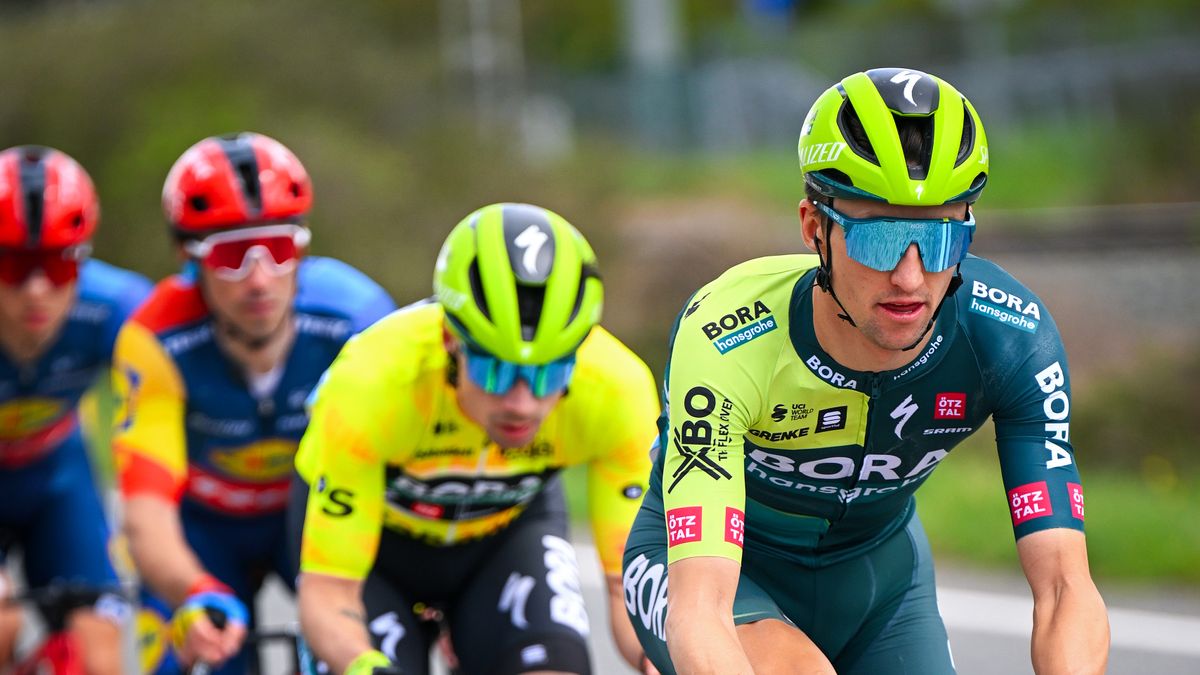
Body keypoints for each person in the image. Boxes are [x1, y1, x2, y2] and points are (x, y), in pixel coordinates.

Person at [622, 67, 1110, 674]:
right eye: (879, 241)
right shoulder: (731, 333)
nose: (910, 278)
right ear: (813, 229)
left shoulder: (1008, 336)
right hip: (714, 572)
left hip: (880, 585)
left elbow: (1065, 587)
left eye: (938, 241)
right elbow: (701, 611)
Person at [292, 202, 660, 675]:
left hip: (504, 538)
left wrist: (661, 660)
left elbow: (623, 587)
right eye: (495, 370)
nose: (522, 403)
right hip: (377, 553)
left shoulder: (617, 391)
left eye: (550, 374)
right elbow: (329, 593)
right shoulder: (373, 382)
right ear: (450, 341)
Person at [112, 132, 396, 674]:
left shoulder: (356, 319)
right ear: (188, 258)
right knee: (198, 654)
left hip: (317, 519)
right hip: (202, 531)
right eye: (231, 256)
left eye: (279, 248)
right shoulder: (155, 339)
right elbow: (145, 512)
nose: (259, 279)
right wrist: (190, 590)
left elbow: (399, 472)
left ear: (303, 249)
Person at [0, 145, 152, 674]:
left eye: (59, 266)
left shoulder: (115, 305)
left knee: (98, 644)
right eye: (15, 267)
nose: (37, 289)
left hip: (56, 476)